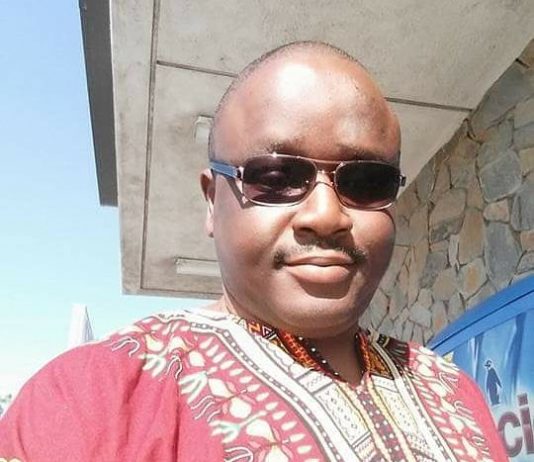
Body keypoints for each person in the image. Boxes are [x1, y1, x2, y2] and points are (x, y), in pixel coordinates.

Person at [0, 41, 507, 461]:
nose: (326, 215)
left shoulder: (452, 388)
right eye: (277, 177)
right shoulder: (92, 399)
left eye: (366, 181)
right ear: (211, 201)